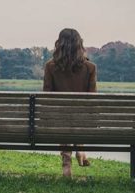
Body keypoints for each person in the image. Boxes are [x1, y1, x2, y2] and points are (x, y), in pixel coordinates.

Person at [43, 28, 97, 177]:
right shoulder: (90, 67)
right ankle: (80, 149)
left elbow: (46, 97)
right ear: (80, 45)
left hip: (59, 120)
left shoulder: (50, 66)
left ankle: (66, 164)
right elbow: (93, 100)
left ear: (59, 44)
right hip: (82, 121)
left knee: (63, 118)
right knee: (78, 116)